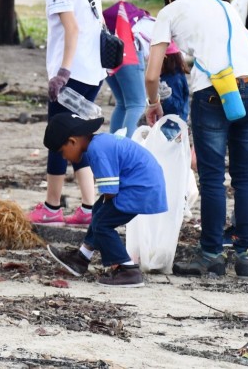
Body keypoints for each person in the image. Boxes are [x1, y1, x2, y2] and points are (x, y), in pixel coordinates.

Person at [144, 0, 248, 278]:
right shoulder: (225, 6)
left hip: (213, 92)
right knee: (246, 175)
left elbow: (151, 73)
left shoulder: (170, 11)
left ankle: (211, 254)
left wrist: (153, 102)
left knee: (212, 178)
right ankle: (247, 254)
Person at [15, 0, 107, 227]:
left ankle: (52, 207)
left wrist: (62, 74)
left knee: (57, 139)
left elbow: (72, 29)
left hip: (73, 75)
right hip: (94, 71)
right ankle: (89, 207)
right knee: (77, 138)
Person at [43, 112, 167, 288]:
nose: (65, 158)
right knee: (97, 211)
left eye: (62, 153)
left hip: (140, 189)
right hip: (143, 186)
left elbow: (110, 191)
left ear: (72, 141)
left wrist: (104, 209)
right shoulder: (99, 142)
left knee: (102, 223)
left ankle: (128, 270)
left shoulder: (96, 150)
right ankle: (82, 257)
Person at [102, 1, 150, 134]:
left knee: (123, 103)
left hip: (106, 46)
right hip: (127, 47)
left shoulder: (148, 22)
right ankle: (126, 150)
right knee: (137, 104)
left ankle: (115, 148)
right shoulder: (167, 29)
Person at [158, 43, 189, 122]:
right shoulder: (169, 76)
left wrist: (165, 97)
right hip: (169, 122)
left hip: (171, 125)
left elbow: (177, 106)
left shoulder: (174, 79)